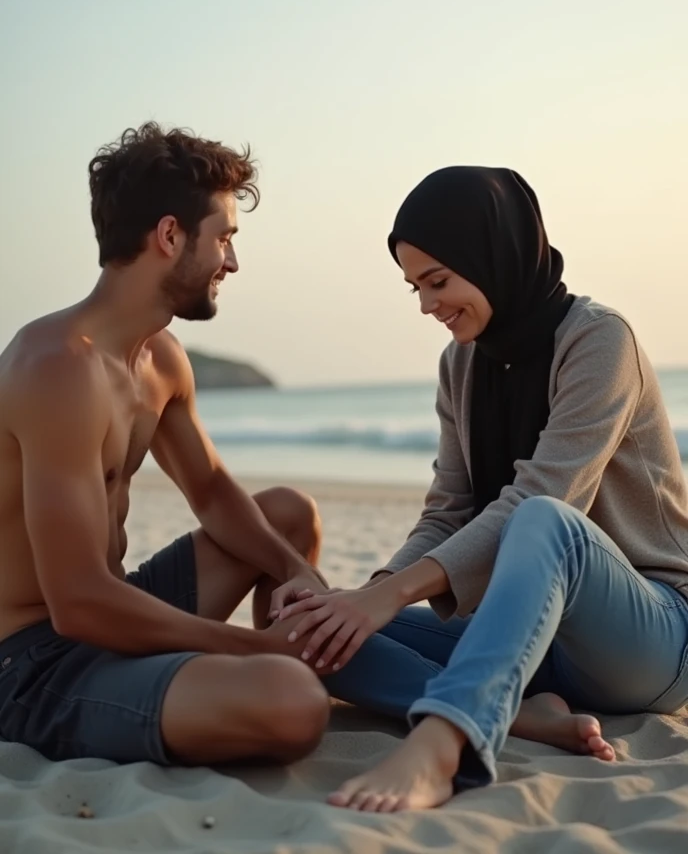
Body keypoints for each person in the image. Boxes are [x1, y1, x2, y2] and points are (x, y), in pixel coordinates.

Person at [279, 166, 688, 812]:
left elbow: (543, 501)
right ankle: (525, 715)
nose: (426, 305)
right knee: (309, 634)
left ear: (493, 254)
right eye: (414, 287)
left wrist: (387, 596)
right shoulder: (460, 363)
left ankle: (446, 741)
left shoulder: (600, 340)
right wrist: (363, 598)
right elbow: (448, 512)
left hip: (651, 635)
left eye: (438, 281)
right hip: (531, 635)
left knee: (544, 520)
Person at [0, 122, 331, 767]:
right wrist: (258, 650)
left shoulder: (161, 359)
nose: (231, 263)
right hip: (31, 662)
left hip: (114, 617)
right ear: (170, 235)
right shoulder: (57, 368)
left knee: (288, 516)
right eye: (225, 239)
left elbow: (209, 490)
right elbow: (77, 603)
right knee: (292, 699)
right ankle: (274, 678)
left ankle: (277, 671)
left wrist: (301, 573)